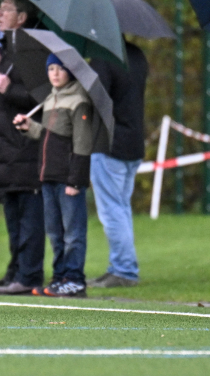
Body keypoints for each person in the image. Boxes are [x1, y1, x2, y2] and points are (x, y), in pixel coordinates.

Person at [13, 54, 94, 298]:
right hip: (48, 177)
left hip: (68, 180)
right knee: (55, 233)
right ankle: (59, 277)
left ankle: (75, 279)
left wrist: (76, 180)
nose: (55, 74)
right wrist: (30, 128)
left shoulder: (79, 100)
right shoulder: (50, 99)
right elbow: (50, 136)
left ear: (70, 72)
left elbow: (82, 144)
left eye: (60, 69)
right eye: (51, 69)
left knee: (72, 233)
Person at [0, 0, 45, 295]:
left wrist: (11, 89)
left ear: (21, 17)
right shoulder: (7, 51)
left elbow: (41, 98)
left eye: (5, 9)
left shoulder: (32, 51)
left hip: (25, 148)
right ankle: (15, 271)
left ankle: (29, 274)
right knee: (14, 218)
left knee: (30, 219)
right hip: (5, 151)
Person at [87, 40, 148, 288]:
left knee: (112, 210)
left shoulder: (103, 59)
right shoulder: (137, 55)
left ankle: (124, 269)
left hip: (109, 144)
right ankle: (120, 265)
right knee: (121, 208)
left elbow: (96, 100)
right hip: (134, 141)